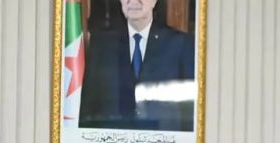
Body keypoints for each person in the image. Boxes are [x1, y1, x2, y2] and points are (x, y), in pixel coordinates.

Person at [79, 0, 195, 131]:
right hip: (114, 139)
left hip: (163, 139)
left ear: (154, 2)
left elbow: (189, 110)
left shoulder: (180, 44)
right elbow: (88, 107)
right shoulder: (102, 44)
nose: (133, 1)